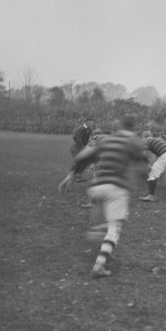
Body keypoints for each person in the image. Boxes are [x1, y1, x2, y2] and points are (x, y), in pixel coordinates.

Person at [58, 115, 148, 278]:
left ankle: (98, 230)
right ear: (134, 127)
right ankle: (99, 265)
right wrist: (143, 181)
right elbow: (143, 165)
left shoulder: (107, 140)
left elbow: (81, 158)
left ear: (120, 126)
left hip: (96, 187)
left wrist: (69, 177)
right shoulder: (134, 141)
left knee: (106, 218)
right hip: (116, 187)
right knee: (115, 229)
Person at [71, 117, 93, 181]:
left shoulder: (89, 129)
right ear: (85, 122)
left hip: (82, 146)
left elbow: (87, 139)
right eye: (90, 122)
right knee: (77, 161)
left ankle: (78, 176)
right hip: (76, 147)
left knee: (83, 161)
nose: (91, 124)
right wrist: (83, 148)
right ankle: (72, 177)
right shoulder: (80, 129)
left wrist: (88, 145)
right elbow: (78, 140)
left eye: (92, 123)